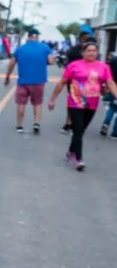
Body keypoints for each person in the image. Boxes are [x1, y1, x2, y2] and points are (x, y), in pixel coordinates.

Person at [48, 41, 117, 171]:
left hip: (92, 102)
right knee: (78, 129)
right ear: (83, 53)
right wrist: (53, 99)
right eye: (88, 50)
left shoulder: (103, 67)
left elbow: (110, 83)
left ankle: (70, 152)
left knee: (81, 130)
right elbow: (62, 83)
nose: (91, 53)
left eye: (94, 51)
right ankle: (78, 159)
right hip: (75, 101)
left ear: (97, 53)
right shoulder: (74, 65)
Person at [4, 28, 53, 134]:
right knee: (37, 104)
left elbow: (12, 63)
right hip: (39, 82)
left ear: (28, 37)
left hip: (23, 82)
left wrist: (7, 76)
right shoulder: (45, 48)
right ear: (37, 37)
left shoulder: (20, 49)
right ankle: (36, 124)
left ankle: (19, 126)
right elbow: (51, 61)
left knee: (21, 104)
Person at [60, 29, 95, 134]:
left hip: (81, 80)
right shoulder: (81, 51)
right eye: (86, 37)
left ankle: (71, 123)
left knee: (77, 102)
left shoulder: (74, 50)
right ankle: (71, 123)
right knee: (77, 102)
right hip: (76, 80)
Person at [100, 51, 117, 139]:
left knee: (112, 107)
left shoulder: (113, 60)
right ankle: (115, 133)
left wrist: (106, 86)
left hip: (113, 85)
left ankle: (106, 123)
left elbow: (109, 74)